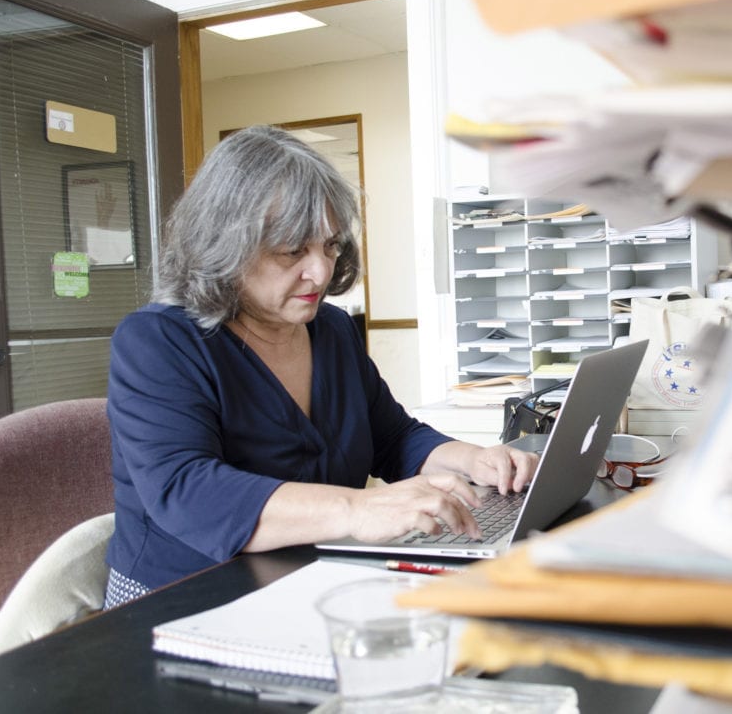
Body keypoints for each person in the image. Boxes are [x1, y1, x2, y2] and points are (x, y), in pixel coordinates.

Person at [103, 125, 536, 608]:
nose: (321, 271)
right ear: (225, 244)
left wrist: (472, 459)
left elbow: (391, 437)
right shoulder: (158, 341)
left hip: (310, 579)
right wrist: (358, 508)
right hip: (180, 596)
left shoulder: (330, 329)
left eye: (329, 246)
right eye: (293, 250)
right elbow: (189, 492)